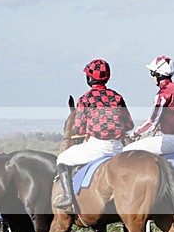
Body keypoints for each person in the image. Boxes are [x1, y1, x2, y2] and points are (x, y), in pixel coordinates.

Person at [54, 59, 134, 210]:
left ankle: (67, 197)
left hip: (98, 147)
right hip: (118, 148)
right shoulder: (117, 97)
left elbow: (78, 129)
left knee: (62, 159)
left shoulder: (85, 99)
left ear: (89, 78)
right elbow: (129, 124)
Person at [123, 56, 174, 156]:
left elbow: (151, 123)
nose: (151, 77)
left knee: (125, 151)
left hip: (170, 140)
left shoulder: (162, 94)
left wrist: (136, 133)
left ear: (157, 74)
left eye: (152, 73)